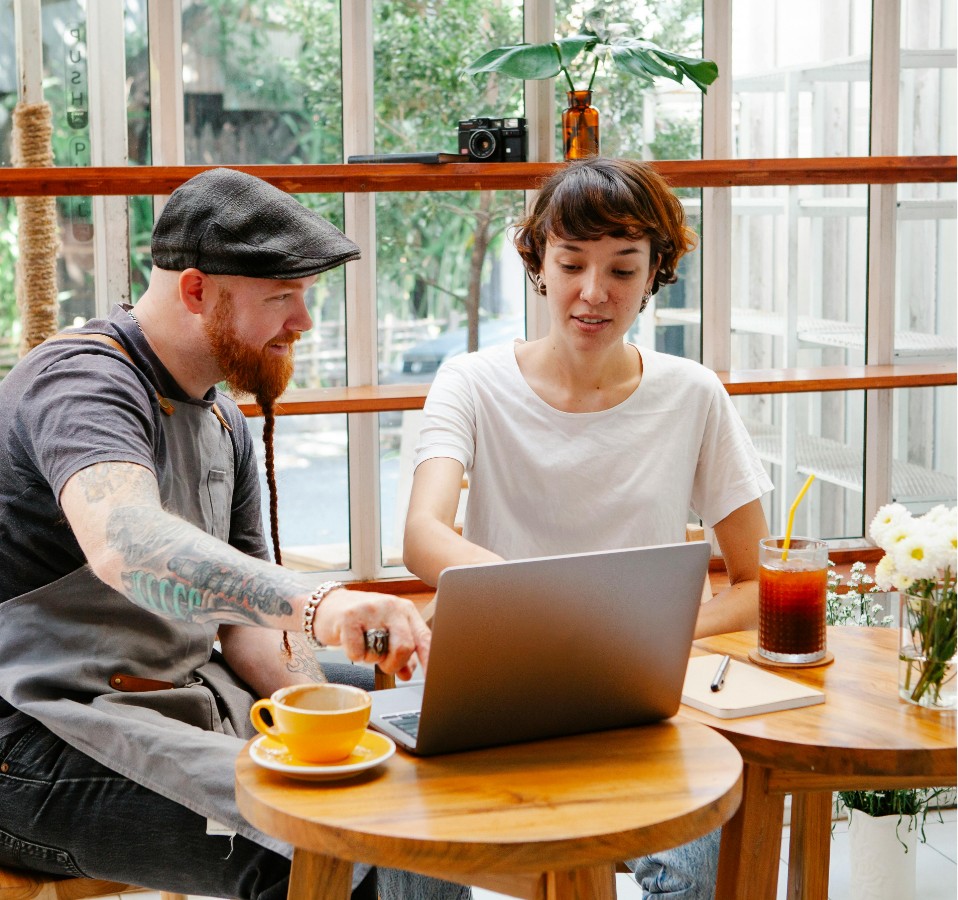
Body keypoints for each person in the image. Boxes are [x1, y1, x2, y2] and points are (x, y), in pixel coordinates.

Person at [0, 168, 468, 900]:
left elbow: (251, 631)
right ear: (195, 291)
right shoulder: (81, 384)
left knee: (414, 795)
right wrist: (323, 604)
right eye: (282, 297)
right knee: (319, 849)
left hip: (173, 694)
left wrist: (316, 715)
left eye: (305, 295)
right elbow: (129, 545)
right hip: (33, 739)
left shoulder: (224, 421)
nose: (303, 321)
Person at [403, 157, 773, 898]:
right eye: (571, 263)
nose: (593, 293)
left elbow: (760, 583)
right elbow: (422, 535)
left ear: (655, 273)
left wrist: (640, 642)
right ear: (538, 262)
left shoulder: (692, 394)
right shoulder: (471, 381)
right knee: (411, 847)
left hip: (639, 708)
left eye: (622, 270)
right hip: (498, 690)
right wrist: (558, 611)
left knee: (694, 863)